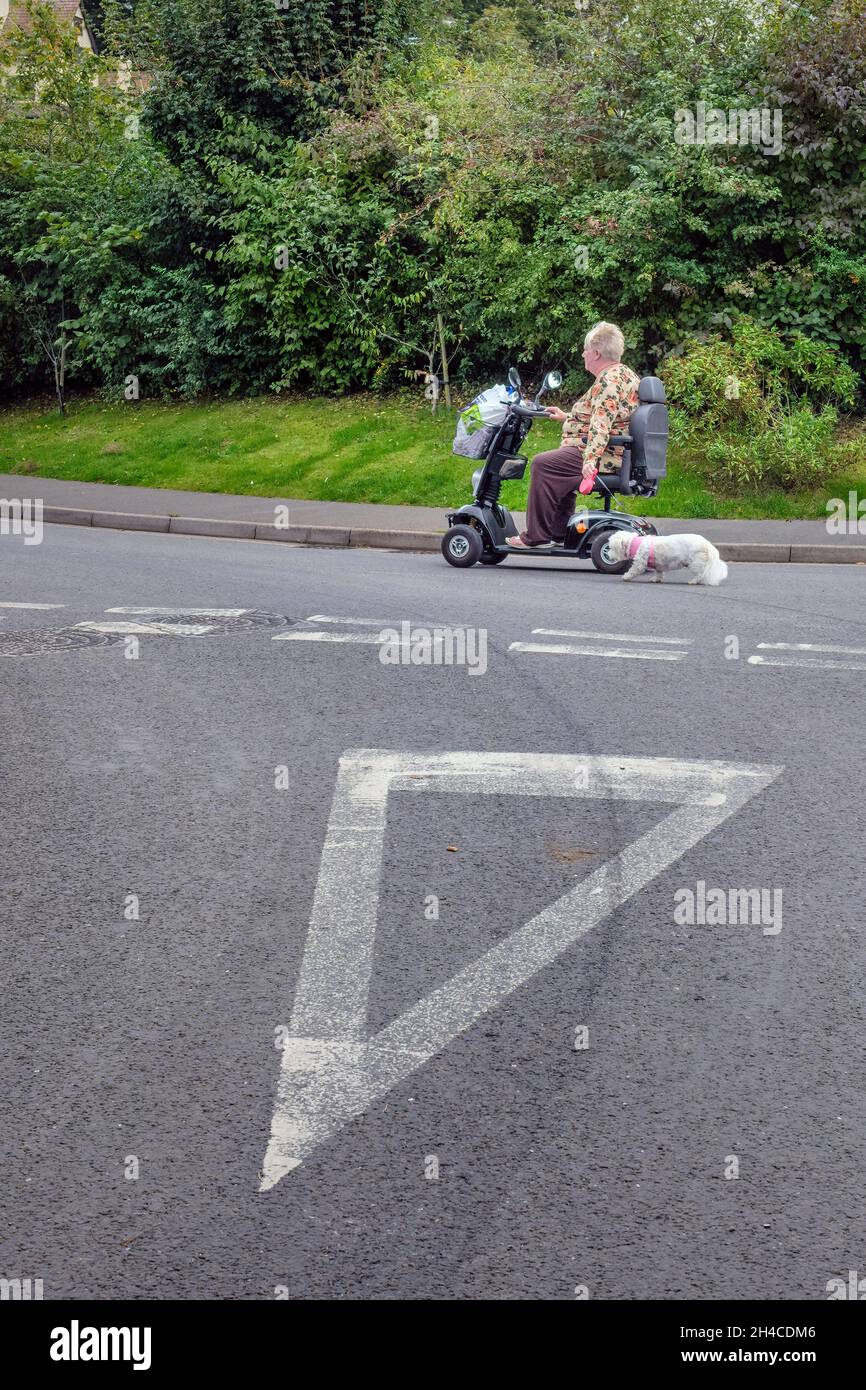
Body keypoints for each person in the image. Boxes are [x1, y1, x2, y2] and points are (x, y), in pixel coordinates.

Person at [506, 322, 640, 548]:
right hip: (614, 452)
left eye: (586, 349)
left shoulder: (608, 382)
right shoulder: (625, 375)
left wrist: (590, 460)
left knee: (543, 464)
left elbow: (601, 425)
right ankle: (559, 533)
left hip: (605, 455)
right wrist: (566, 416)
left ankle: (536, 537)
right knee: (560, 462)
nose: (583, 354)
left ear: (596, 353)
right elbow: (609, 416)